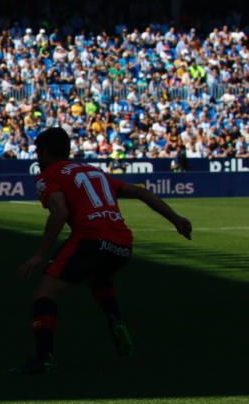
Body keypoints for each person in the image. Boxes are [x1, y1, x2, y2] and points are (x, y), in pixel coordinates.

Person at [14, 127, 193, 375]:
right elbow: (140, 192)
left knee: (45, 293)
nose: (36, 156)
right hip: (122, 245)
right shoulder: (94, 171)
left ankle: (43, 358)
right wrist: (176, 219)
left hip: (91, 239)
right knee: (97, 276)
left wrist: (41, 254)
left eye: (37, 151)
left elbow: (60, 212)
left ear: (44, 152)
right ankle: (114, 319)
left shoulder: (48, 175)